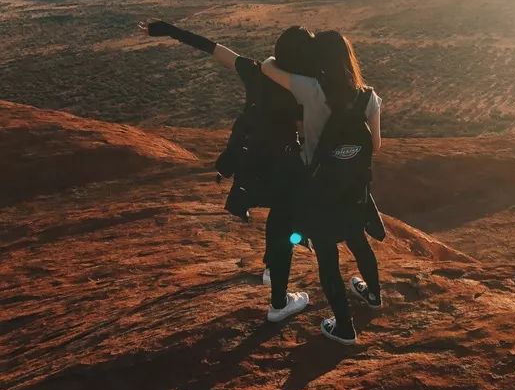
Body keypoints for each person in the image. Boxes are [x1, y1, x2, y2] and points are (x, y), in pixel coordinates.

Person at [138, 19, 313, 324]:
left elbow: (211, 47)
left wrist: (167, 29)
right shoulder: (303, 87)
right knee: (285, 224)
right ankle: (278, 303)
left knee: (278, 221)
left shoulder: (256, 71)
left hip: (253, 166)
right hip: (284, 168)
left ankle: (271, 269)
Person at [260, 30, 383, 346]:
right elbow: (377, 146)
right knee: (359, 241)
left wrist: (293, 57)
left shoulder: (310, 89)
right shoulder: (369, 97)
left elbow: (266, 66)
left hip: (320, 192)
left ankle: (344, 327)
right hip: (354, 190)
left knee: (328, 258)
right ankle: (373, 295)